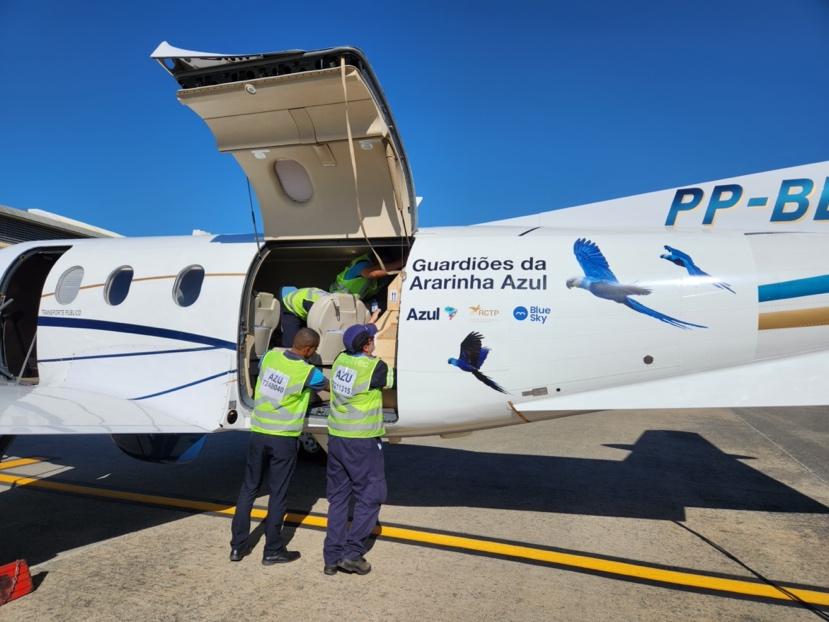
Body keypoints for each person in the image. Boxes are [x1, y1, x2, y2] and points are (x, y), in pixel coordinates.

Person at [230, 328, 328, 565]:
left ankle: (237, 547)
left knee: (249, 489)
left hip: (259, 432)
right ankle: (272, 549)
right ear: (310, 350)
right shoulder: (308, 372)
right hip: (283, 438)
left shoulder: (270, 357)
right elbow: (327, 386)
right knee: (278, 494)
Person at [323, 322, 395, 576]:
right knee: (371, 495)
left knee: (339, 498)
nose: (375, 341)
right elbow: (393, 379)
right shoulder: (376, 367)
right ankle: (352, 554)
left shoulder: (340, 360)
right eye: (373, 338)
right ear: (366, 345)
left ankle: (331, 557)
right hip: (362, 440)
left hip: (337, 437)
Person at [329, 252, 404, 302]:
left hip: (349, 302)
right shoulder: (363, 264)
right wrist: (401, 263)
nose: (386, 267)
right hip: (335, 299)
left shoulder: (375, 282)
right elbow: (371, 273)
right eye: (385, 264)